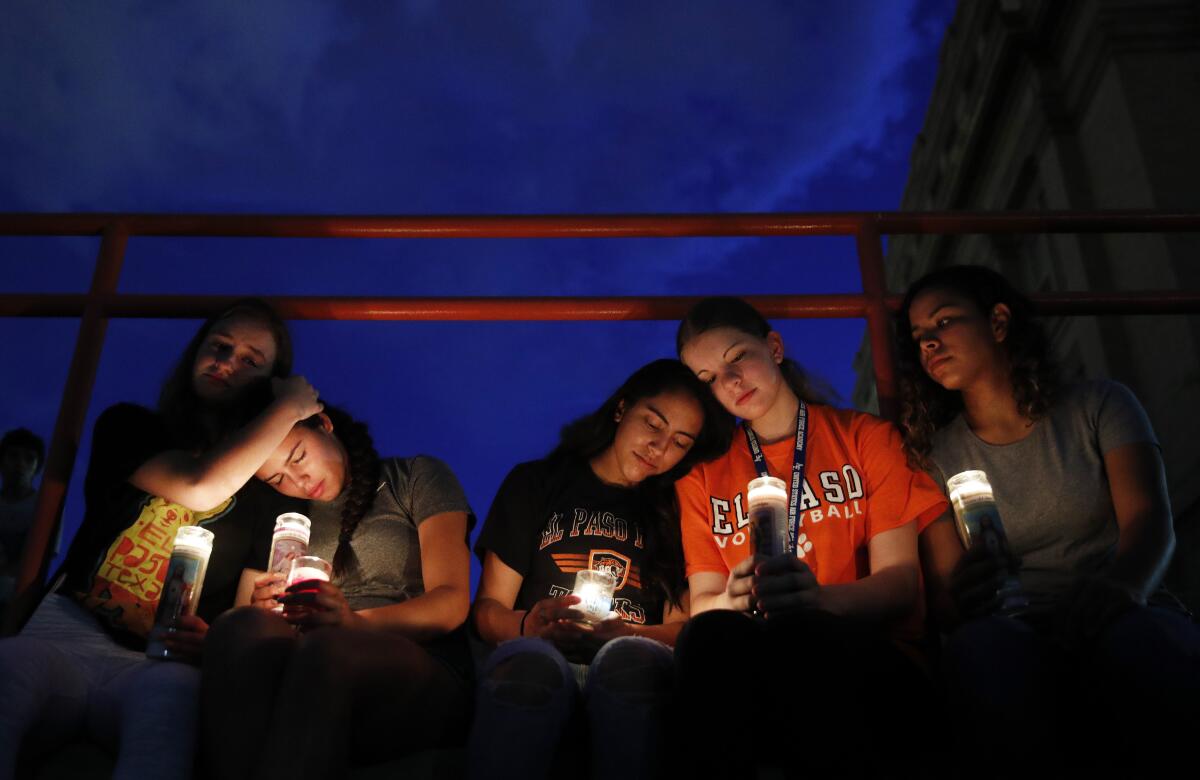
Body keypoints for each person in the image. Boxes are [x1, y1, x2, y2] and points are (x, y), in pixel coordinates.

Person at [897, 264, 1199, 773]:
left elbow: (1149, 522)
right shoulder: (934, 459)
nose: (929, 343)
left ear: (998, 321)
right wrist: (966, 592)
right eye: (919, 336)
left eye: (945, 322)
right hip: (1014, 623)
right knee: (983, 658)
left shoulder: (1099, 404)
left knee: (1141, 650)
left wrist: (1119, 589)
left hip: (1121, 602)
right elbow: (949, 598)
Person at [0, 299, 320, 780]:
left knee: (165, 722)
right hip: (67, 629)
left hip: (164, 660)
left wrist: (215, 641)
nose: (227, 362)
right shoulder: (130, 426)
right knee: (8, 672)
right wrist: (291, 405)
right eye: (219, 346)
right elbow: (199, 484)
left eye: (251, 360)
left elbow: (247, 606)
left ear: (271, 381)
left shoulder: (267, 493)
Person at [673, 296, 950, 778]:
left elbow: (901, 583)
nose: (730, 382)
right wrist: (734, 598)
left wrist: (814, 598)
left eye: (737, 357)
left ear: (774, 347)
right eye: (708, 379)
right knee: (711, 637)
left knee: (801, 636)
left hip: (866, 652)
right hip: (757, 655)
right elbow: (703, 603)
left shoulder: (866, 438)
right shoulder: (700, 480)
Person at [468, 359, 732, 780]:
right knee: (531, 668)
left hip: (633, 653)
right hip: (540, 647)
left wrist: (628, 634)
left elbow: (683, 627)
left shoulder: (679, 511)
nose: (659, 449)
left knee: (628, 664)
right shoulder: (536, 483)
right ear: (621, 408)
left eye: (680, 442)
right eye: (653, 424)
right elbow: (487, 609)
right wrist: (529, 626)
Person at [201, 403, 475, 780]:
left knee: (328, 648)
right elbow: (257, 619)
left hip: (419, 662)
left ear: (324, 424)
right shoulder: (288, 520)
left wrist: (352, 623)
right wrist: (268, 608)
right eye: (277, 479)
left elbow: (451, 604)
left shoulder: (412, 477)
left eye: (298, 457)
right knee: (239, 627)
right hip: (311, 659)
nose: (297, 480)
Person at [0, 428, 46, 604]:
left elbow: (39, 558)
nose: (20, 464)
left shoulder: (44, 507)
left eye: (29, 458)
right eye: (13, 456)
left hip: (18, 596)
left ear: (37, 467)